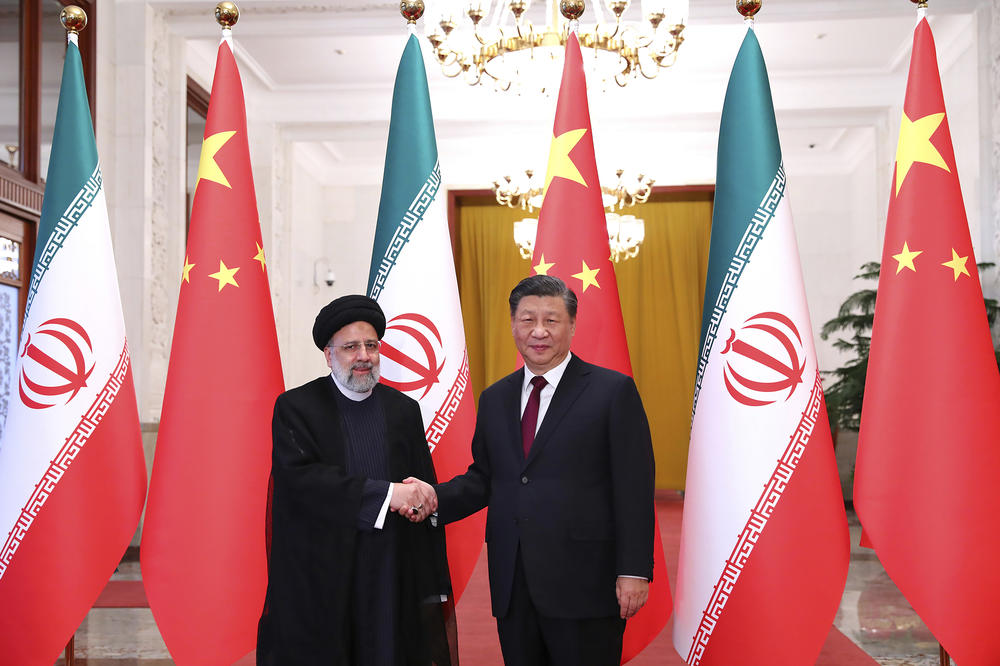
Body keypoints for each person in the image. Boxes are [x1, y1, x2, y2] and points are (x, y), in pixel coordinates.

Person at [407, 275, 655, 665]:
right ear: (512, 325)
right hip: (514, 583)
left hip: (585, 584)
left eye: (551, 320)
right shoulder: (495, 398)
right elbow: (485, 478)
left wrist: (635, 570)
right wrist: (432, 498)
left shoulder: (612, 392)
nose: (538, 331)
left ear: (572, 325)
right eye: (527, 320)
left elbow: (634, 488)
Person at [256, 294, 454, 666]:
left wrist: (417, 502)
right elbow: (305, 483)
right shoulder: (297, 408)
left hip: (391, 574)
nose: (363, 355)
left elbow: (421, 486)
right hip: (324, 576)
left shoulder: (403, 410)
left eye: (371, 345)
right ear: (328, 355)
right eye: (350, 347)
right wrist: (388, 495)